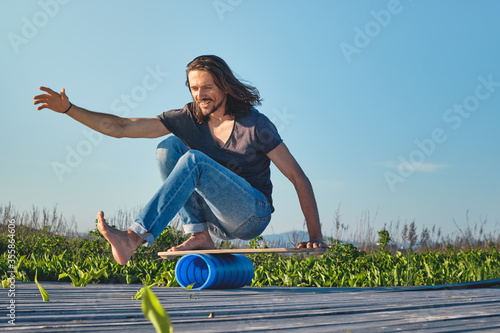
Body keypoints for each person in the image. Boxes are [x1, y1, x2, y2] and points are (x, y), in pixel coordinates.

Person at [33, 55, 329, 265]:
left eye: (207, 87)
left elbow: (297, 177)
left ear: (224, 86)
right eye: (194, 88)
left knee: (194, 160)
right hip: (216, 217)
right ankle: (198, 234)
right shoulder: (188, 118)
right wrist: (70, 109)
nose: (200, 94)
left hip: (253, 214)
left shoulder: (256, 126)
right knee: (168, 148)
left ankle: (133, 238)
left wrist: (315, 235)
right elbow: (122, 127)